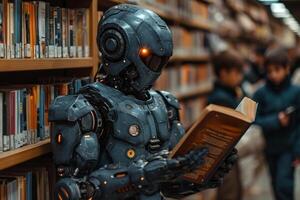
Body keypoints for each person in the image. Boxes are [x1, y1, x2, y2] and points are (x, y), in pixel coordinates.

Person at [48, 4, 237, 200]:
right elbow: (72, 191)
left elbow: (169, 186)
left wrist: (203, 173)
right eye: (150, 59)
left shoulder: (165, 105)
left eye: (161, 61)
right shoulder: (86, 110)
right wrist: (142, 176)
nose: (156, 69)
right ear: (116, 47)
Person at [253, 47, 300, 200]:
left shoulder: (296, 92)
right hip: (269, 147)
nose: (273, 75)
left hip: (289, 147)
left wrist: (298, 149)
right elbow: (253, 119)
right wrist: (275, 121)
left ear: (287, 68)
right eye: (269, 71)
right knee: (275, 185)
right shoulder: (260, 93)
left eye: (277, 70)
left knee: (283, 185)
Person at [207, 49, 244, 200]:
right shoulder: (221, 98)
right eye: (236, 73)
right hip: (223, 154)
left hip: (227, 152)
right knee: (229, 190)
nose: (240, 77)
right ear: (223, 73)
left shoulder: (228, 92)